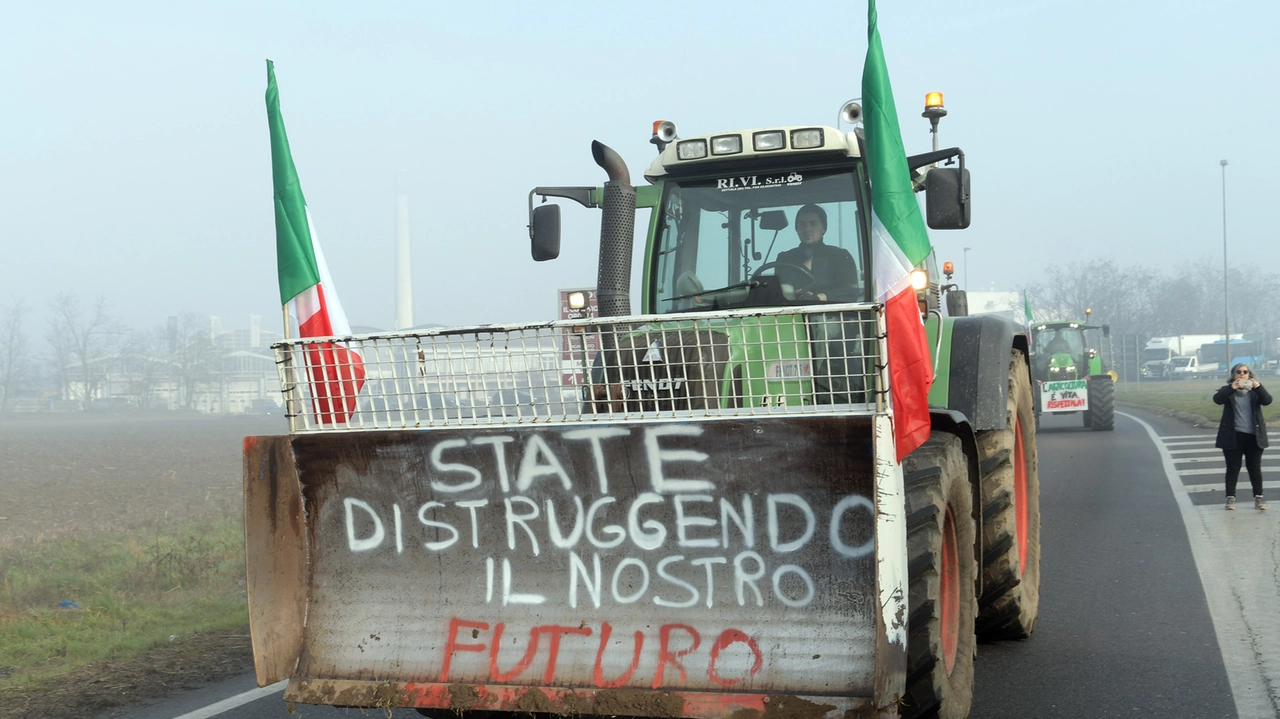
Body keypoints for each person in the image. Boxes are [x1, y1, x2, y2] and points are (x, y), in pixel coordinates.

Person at [1213, 363, 1271, 510]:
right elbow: (1217, 399)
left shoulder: (1255, 391)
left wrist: (1258, 386)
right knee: (1233, 468)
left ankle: (1259, 498)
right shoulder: (1228, 391)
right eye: (1238, 372)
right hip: (1233, 435)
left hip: (1254, 435)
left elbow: (1267, 400)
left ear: (1249, 375)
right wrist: (1232, 388)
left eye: (1245, 372)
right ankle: (1230, 498)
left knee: (1254, 467)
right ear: (1233, 375)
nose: (1242, 374)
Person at [775, 204, 858, 302]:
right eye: (802, 224)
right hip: (793, 314)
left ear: (823, 228)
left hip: (835, 315)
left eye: (813, 223)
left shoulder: (841, 257)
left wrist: (823, 296)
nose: (807, 229)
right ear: (797, 229)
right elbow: (778, 293)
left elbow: (851, 291)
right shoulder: (785, 259)